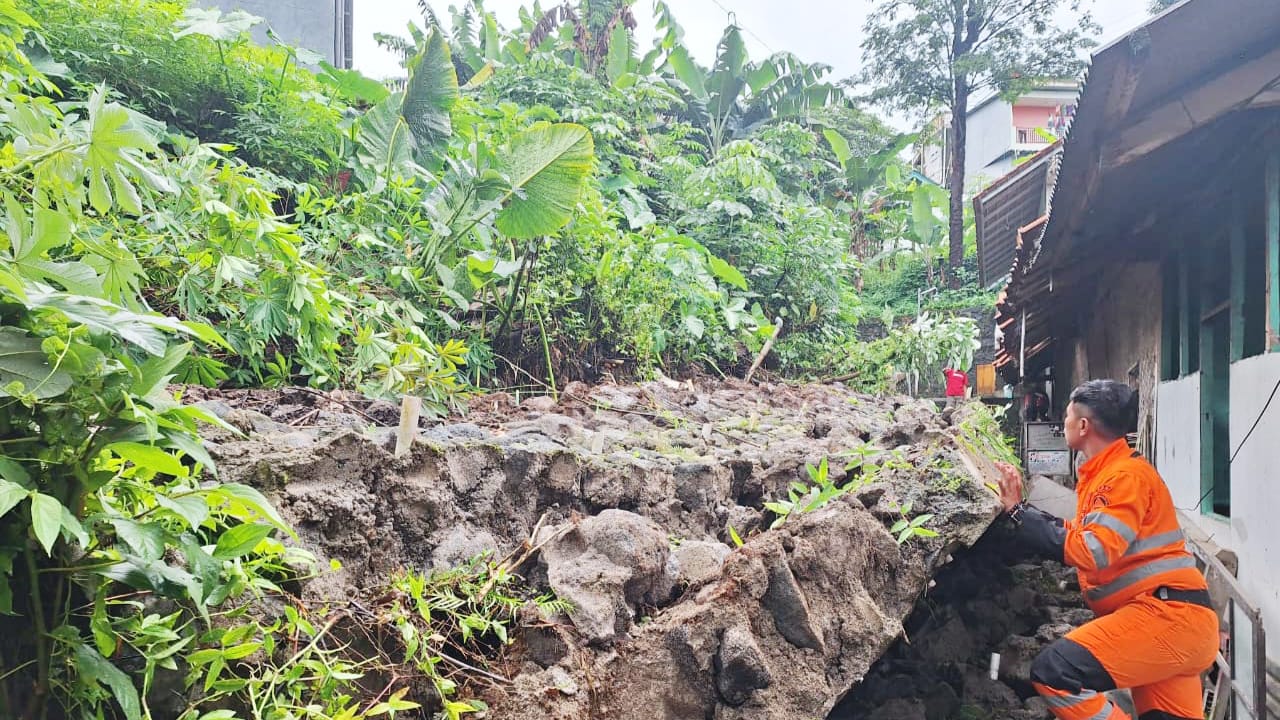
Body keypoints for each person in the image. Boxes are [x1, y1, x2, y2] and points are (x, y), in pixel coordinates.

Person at [995, 380, 1218, 720]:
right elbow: (1077, 533)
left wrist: (1019, 514)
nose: (1063, 422)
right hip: (1173, 621)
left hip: (1166, 617)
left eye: (1067, 416)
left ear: (1083, 425)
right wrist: (1023, 513)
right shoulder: (1108, 474)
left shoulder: (1123, 476)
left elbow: (1094, 550)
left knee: (1056, 673)